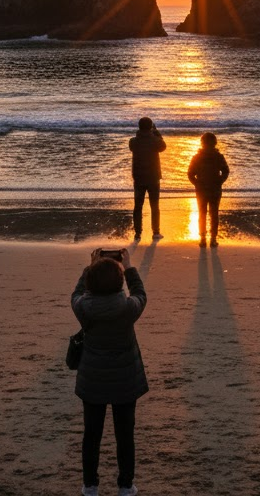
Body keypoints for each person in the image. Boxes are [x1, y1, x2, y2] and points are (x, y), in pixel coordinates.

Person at [71, 247, 148, 496]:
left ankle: (90, 485)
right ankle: (125, 486)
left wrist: (90, 267)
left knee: (91, 435)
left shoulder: (83, 307)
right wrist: (129, 266)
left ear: (91, 282)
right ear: (120, 281)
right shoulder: (127, 309)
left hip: (92, 380)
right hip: (125, 381)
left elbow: (77, 293)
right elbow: (140, 293)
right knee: (125, 436)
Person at [187, 132, 230, 248]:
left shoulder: (197, 157)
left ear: (202, 143)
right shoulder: (218, 156)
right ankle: (213, 238)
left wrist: (197, 183)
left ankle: (202, 238)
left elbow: (190, 173)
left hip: (201, 189)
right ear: (215, 143)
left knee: (202, 213)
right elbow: (226, 171)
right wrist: (220, 181)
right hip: (215, 188)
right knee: (214, 213)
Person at [129, 118, 166, 241]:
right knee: (154, 206)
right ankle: (156, 232)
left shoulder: (133, 141)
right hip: (153, 177)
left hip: (139, 177)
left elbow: (134, 144)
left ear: (139, 127)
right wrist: (156, 132)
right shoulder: (155, 140)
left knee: (138, 206)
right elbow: (163, 146)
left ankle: (138, 233)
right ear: (150, 127)